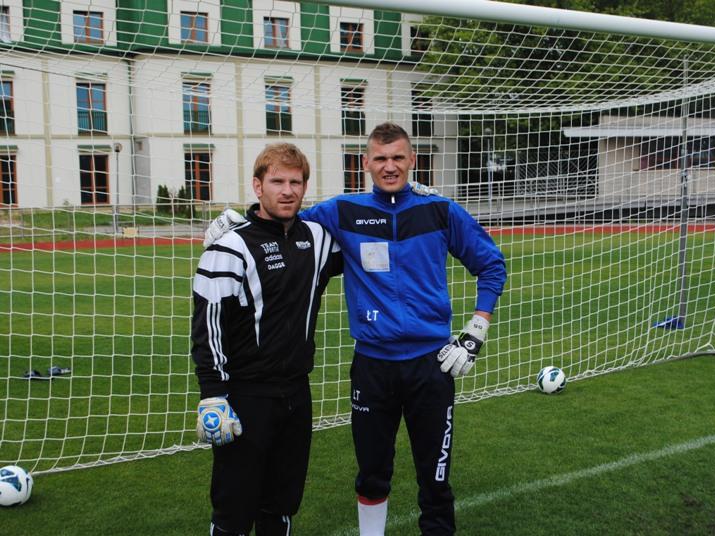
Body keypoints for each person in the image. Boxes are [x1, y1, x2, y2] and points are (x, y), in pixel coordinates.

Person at [205, 123, 507, 535]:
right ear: (365, 163)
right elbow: (284, 220)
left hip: (431, 365)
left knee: (435, 478)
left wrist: (476, 331)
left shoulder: (440, 211)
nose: (389, 166)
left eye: (397, 157)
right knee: (371, 474)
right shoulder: (342, 212)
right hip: (372, 367)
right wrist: (240, 222)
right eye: (380, 158)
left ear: (412, 160)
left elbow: (491, 264)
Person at [192, 142, 342, 536]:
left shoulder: (317, 238)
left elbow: (369, 237)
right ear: (258, 187)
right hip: (246, 397)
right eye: (277, 182)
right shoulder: (230, 246)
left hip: (297, 394)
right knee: (234, 512)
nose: (288, 191)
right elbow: (208, 326)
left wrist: (406, 199)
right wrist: (212, 394)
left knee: (281, 506)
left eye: (296, 182)